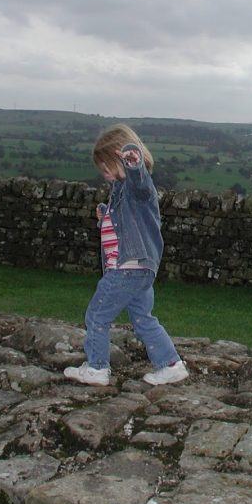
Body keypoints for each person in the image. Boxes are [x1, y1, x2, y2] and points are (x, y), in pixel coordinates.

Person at [64, 124, 189, 386]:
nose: (105, 174)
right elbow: (125, 225)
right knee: (143, 318)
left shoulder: (137, 185)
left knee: (97, 315)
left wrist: (133, 163)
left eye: (108, 167)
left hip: (127, 269)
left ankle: (97, 368)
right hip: (140, 270)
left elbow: (140, 184)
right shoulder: (119, 191)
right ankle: (171, 365)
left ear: (123, 159)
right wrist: (104, 214)